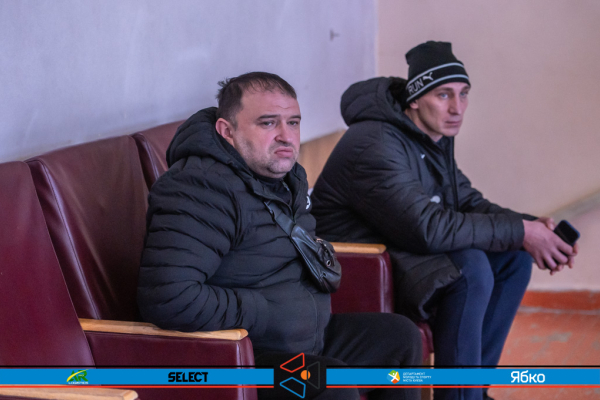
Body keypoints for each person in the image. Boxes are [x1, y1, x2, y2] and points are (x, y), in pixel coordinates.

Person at [310, 42, 578, 400]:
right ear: (415, 99)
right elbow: (427, 228)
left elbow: (467, 202)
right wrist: (522, 231)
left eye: (463, 94)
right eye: (443, 95)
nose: (457, 108)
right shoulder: (374, 142)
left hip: (398, 249)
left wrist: (533, 229)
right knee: (468, 268)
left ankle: (474, 392)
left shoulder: (430, 137)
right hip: (361, 266)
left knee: (513, 258)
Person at [137, 72, 422, 400]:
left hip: (305, 340)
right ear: (227, 131)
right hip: (247, 359)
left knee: (400, 339)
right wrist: (263, 311)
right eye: (268, 123)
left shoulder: (285, 178)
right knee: (330, 382)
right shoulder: (200, 188)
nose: (286, 136)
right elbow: (169, 298)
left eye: (294, 123)